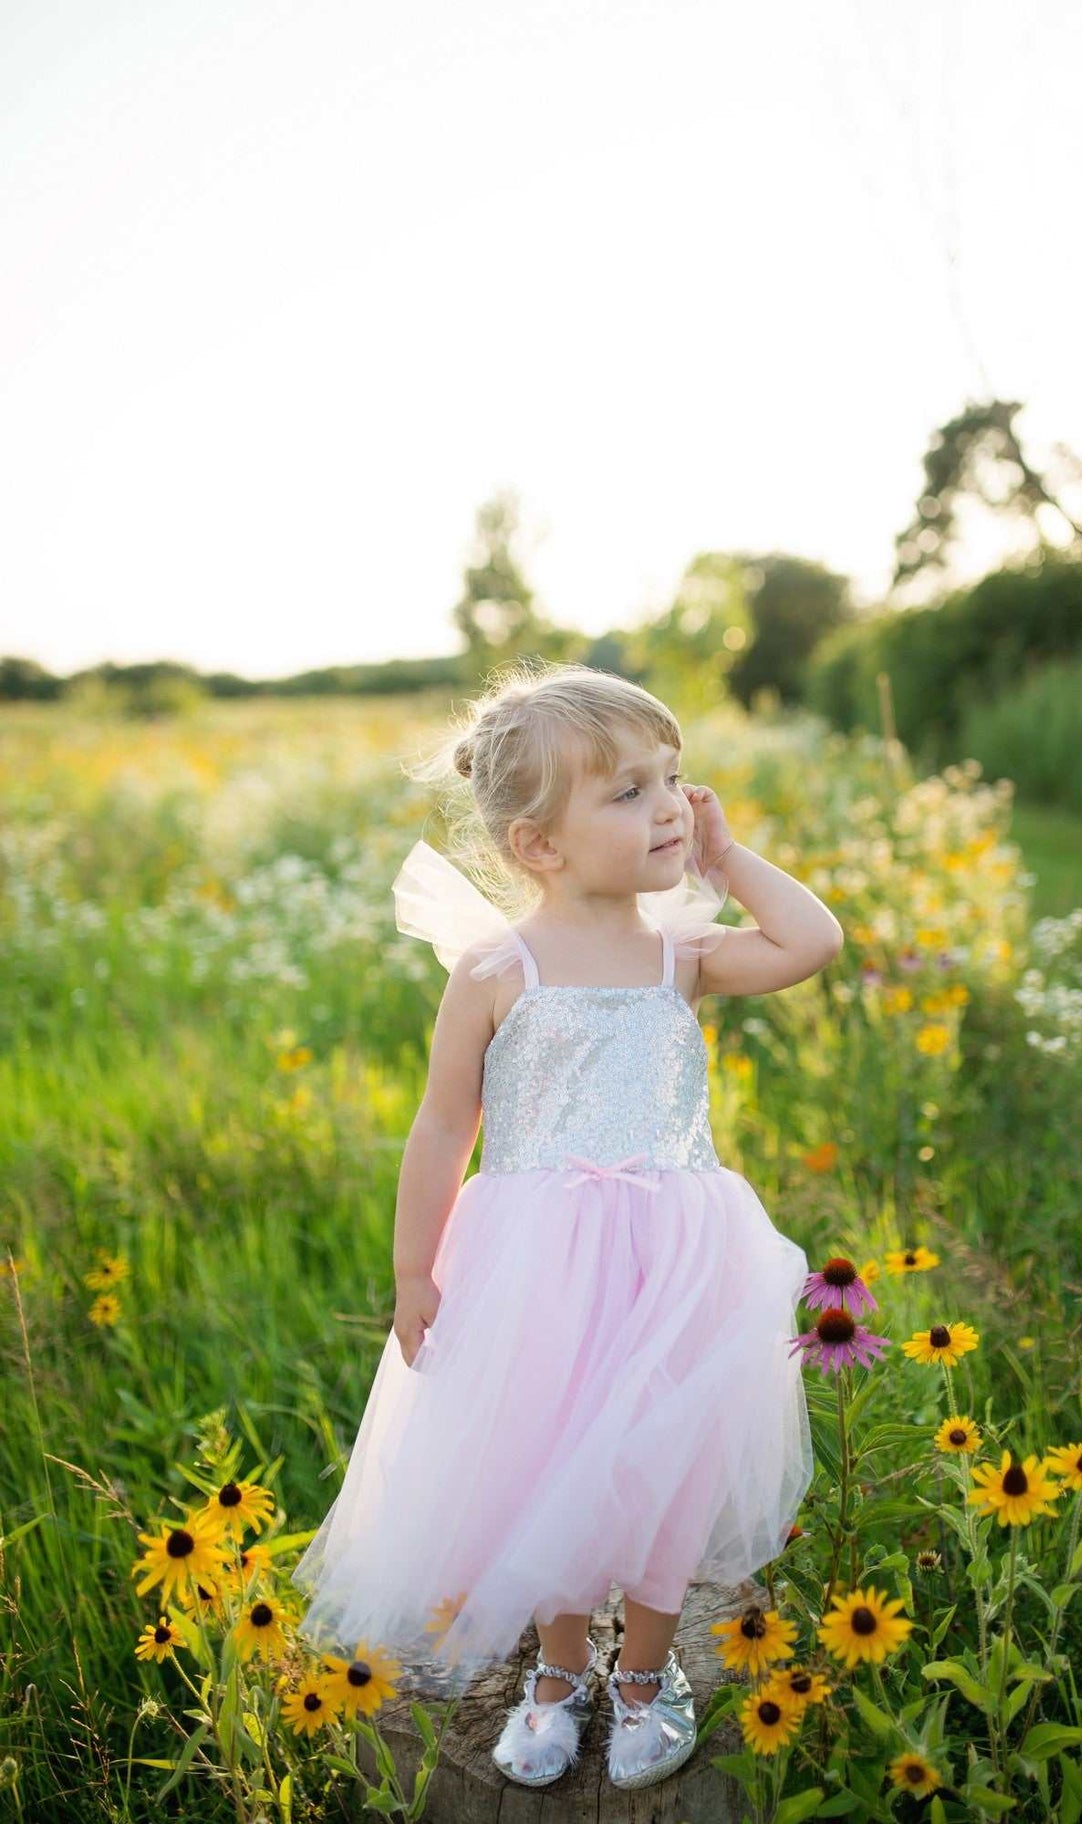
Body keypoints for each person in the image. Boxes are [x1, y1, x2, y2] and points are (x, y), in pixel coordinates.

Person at [290, 661, 844, 1792]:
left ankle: (644, 1672)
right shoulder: (498, 970)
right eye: (630, 792)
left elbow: (811, 943)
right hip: (537, 1265)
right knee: (548, 1458)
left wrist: (730, 861)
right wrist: (413, 1270)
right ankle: (557, 1669)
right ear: (537, 844)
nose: (671, 808)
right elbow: (443, 1126)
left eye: (673, 779)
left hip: (677, 1258)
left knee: (663, 1465)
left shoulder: (681, 954)